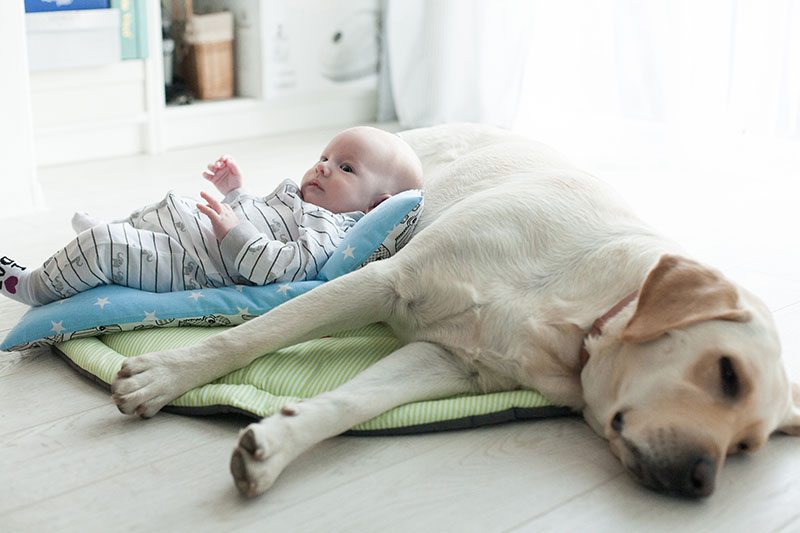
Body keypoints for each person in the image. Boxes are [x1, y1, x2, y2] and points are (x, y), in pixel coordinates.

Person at [0, 126, 423, 306]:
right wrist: (237, 191)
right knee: (166, 211)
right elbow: (260, 217)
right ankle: (110, 240)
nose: (323, 167)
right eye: (324, 156)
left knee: (108, 247)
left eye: (346, 168)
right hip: (195, 236)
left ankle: (34, 285)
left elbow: (282, 266)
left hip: (191, 266)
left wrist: (234, 233)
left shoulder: (328, 229)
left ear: (375, 207)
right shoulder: (304, 203)